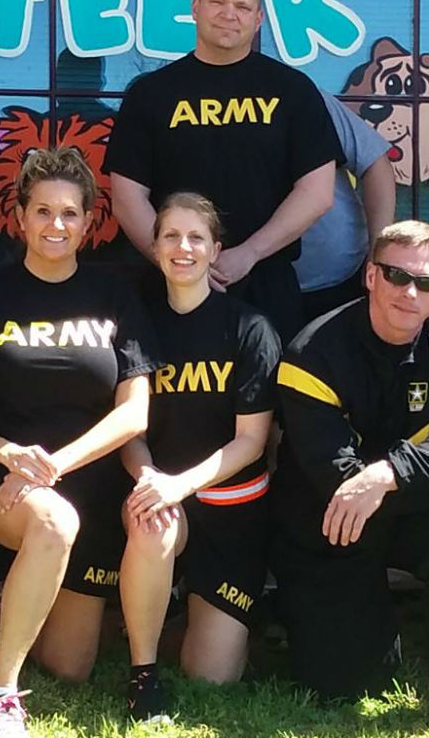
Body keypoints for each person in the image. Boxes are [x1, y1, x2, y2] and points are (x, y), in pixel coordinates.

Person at [0, 147, 156, 738]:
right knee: (53, 524)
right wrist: (9, 455)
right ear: (19, 216)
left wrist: (53, 465)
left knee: (70, 665)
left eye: (69, 213)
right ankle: (0, 694)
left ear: (89, 220)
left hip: (84, 474)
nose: (55, 225)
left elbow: (134, 413)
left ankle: (7, 597)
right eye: (42, 211)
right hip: (0, 470)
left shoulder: (116, 297)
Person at [270, 220, 429, 736]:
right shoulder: (311, 351)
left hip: (407, 507)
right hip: (331, 517)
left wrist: (388, 473)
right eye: (396, 275)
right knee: (340, 684)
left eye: (425, 283)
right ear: (370, 276)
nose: (409, 291)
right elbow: (331, 474)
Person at [105, 0, 338, 339]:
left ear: (258, 19)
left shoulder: (293, 91)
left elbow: (317, 192)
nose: (229, 14)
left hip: (266, 282)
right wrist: (178, 262)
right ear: (196, 8)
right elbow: (127, 196)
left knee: (267, 397)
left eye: (243, 7)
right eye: (218, 2)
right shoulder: (151, 93)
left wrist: (250, 252)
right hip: (170, 287)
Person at [118, 193, 280, 723]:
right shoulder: (136, 324)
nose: (182, 247)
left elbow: (252, 442)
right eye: (170, 236)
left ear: (216, 250)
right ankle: (143, 675)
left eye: (196, 238)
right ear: (154, 246)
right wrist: (150, 480)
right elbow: (129, 431)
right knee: (152, 522)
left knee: (212, 676)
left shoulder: (250, 328)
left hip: (231, 506)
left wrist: (177, 484)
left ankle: (192, 605)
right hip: (164, 499)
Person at [295, 90, 396, 322]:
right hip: (246, 279)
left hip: (344, 277)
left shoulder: (299, 93)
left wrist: (378, 255)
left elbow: (374, 162)